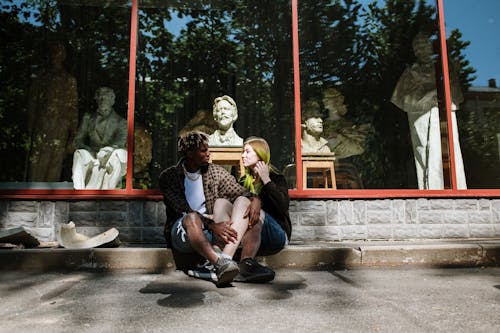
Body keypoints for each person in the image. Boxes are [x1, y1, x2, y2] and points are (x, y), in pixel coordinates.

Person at [159, 131, 262, 287]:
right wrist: (211, 224)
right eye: (203, 150)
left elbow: (240, 191)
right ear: (190, 153)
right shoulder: (169, 176)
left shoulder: (214, 172)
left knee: (230, 204)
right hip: (182, 232)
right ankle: (219, 264)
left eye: (208, 149)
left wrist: (255, 199)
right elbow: (182, 209)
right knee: (192, 218)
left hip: (210, 231)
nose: (209, 153)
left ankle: (220, 263)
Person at [391, 32, 466, 189]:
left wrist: (438, 94)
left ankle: (455, 187)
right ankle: (429, 188)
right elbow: (402, 98)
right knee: (425, 153)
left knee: (449, 152)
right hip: (421, 117)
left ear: (431, 47)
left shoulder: (444, 70)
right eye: (417, 47)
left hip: (443, 114)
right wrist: (428, 95)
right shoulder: (410, 73)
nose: (421, 49)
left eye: (424, 45)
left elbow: (455, 94)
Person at [237, 137, 292, 282]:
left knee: (258, 211)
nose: (243, 155)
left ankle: (246, 264)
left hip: (276, 236)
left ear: (260, 154)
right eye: (243, 152)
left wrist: (266, 180)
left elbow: (282, 207)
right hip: (250, 237)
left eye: (247, 152)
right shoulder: (243, 181)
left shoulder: (276, 177)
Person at [27, 40, 78, 182]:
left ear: (63, 55)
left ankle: (48, 195)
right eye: (53, 51)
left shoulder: (69, 80)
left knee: (55, 163)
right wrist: (31, 125)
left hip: (61, 125)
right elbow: (33, 102)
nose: (56, 55)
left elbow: (72, 107)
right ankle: (34, 192)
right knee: (38, 162)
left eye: (59, 52)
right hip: (43, 124)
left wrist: (74, 134)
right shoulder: (41, 78)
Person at [72, 87, 127, 189]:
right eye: (100, 98)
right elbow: (78, 140)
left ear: (112, 100)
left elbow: (121, 141)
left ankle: (109, 192)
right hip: (92, 155)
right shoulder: (88, 118)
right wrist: (88, 149)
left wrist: (109, 149)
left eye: (105, 98)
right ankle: (79, 192)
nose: (102, 101)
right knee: (79, 154)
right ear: (96, 100)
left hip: (110, 155)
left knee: (120, 154)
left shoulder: (121, 122)